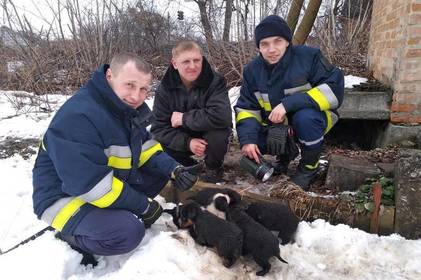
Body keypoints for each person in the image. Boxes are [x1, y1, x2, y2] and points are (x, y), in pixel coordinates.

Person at [32, 52, 199, 261]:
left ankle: (108, 215)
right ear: (110, 76)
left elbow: (145, 147)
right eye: (130, 85)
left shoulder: (124, 108)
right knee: (128, 233)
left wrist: (174, 169)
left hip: (98, 185)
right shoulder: (79, 116)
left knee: (159, 172)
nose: (137, 96)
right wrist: (143, 205)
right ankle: (71, 235)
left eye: (144, 89)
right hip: (64, 196)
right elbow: (89, 185)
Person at [235, 15, 344, 190]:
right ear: (259, 48)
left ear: (287, 41)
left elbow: (334, 90)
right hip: (277, 127)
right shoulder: (252, 71)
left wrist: (288, 104)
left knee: (305, 118)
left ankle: (309, 168)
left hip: (314, 120)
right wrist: (248, 140)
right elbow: (246, 109)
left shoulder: (309, 57)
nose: (271, 49)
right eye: (264, 44)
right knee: (251, 144)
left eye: (277, 41)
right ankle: (285, 156)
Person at [151, 41, 232, 184]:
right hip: (181, 136)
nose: (193, 66)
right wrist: (187, 143)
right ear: (175, 64)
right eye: (186, 61)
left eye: (197, 60)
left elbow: (222, 116)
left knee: (218, 134)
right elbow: (159, 129)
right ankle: (187, 166)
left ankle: (213, 167)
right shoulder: (164, 89)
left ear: (202, 58)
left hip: (207, 134)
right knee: (158, 145)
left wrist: (184, 118)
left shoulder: (215, 81)